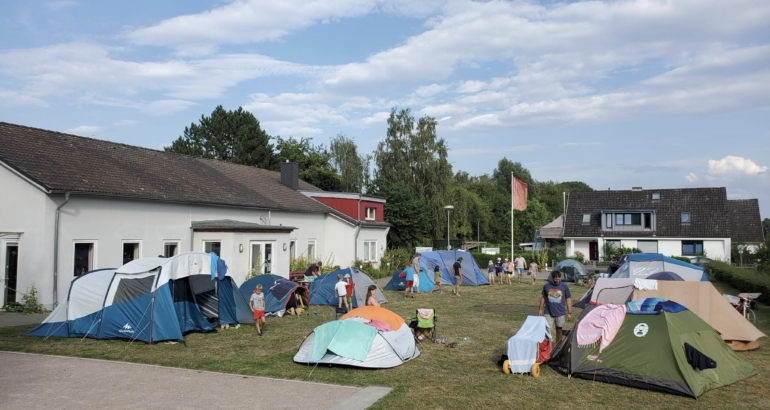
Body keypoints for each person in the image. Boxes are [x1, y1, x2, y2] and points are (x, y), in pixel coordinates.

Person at [538, 271, 572, 346]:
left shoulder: (564, 286)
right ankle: (547, 348)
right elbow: (543, 298)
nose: (557, 280)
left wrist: (569, 313)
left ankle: (558, 347)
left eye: (558, 278)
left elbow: (568, 299)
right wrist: (540, 309)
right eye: (556, 278)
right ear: (552, 278)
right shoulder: (546, 286)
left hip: (560, 313)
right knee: (548, 330)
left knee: (559, 330)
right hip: (548, 312)